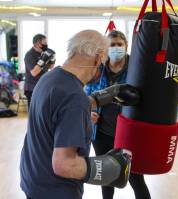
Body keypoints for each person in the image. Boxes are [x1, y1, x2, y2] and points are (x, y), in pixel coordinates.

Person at [20, 30, 138, 199]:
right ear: (97, 59)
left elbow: (59, 109)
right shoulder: (75, 98)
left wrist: (102, 97)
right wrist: (113, 167)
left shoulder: (50, 78)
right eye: (101, 63)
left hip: (33, 179)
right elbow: (64, 165)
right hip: (57, 191)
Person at [85, 30, 151, 199]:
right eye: (111, 45)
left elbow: (145, 96)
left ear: (126, 46)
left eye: (119, 44)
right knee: (106, 178)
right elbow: (88, 93)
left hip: (128, 133)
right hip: (101, 132)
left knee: (136, 178)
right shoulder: (98, 68)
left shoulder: (136, 68)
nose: (115, 48)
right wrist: (90, 111)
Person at [24, 34, 56, 108]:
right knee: (33, 111)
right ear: (38, 44)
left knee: (42, 110)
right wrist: (43, 60)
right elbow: (34, 73)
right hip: (32, 88)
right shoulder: (29, 55)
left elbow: (51, 67)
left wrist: (53, 59)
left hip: (42, 85)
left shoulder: (43, 53)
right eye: (45, 43)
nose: (46, 45)